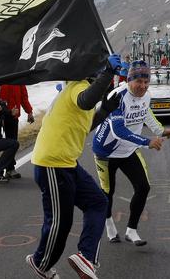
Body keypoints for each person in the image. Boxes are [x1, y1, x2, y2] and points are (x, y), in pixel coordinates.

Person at [26, 54, 121, 279]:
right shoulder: (76, 87)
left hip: (66, 163)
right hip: (52, 163)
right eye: (99, 71)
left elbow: (84, 125)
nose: (100, 76)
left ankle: (86, 258)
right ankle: (40, 263)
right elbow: (86, 99)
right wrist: (109, 72)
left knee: (98, 202)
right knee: (60, 222)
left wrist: (105, 110)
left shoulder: (79, 92)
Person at [92, 60, 170, 246]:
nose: (143, 86)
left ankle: (131, 230)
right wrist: (148, 142)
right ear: (129, 80)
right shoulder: (117, 96)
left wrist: (160, 131)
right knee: (107, 192)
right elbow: (119, 132)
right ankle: (109, 224)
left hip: (128, 150)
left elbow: (146, 113)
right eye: (139, 82)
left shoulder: (146, 95)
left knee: (143, 187)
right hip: (106, 151)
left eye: (146, 82)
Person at [0, 84, 35, 179]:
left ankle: (9, 168)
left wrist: (29, 111)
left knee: (12, 142)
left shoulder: (17, 76)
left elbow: (23, 96)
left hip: (12, 115)